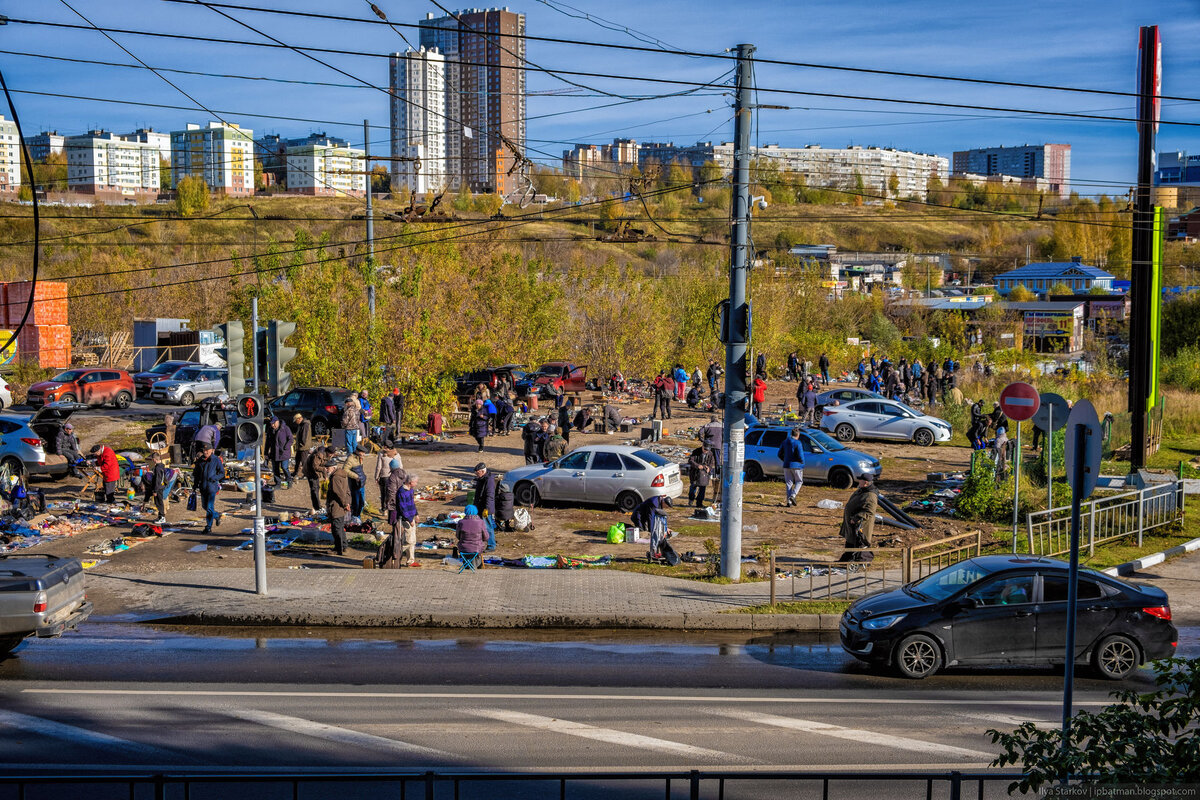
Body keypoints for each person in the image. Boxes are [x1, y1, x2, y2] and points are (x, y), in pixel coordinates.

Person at [838, 474, 878, 563]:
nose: (858, 481)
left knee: (861, 543)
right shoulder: (861, 490)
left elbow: (869, 511)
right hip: (852, 524)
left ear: (866, 482)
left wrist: (856, 518)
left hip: (861, 525)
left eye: (860, 480)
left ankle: (861, 561)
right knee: (850, 541)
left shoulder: (870, 495)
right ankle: (846, 559)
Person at [192, 443, 223, 535]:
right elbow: (196, 474)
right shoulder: (200, 461)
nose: (205, 452)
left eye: (207, 450)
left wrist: (214, 478)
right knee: (205, 506)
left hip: (211, 488)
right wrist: (195, 485)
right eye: (204, 450)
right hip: (203, 487)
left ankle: (208, 527)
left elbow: (222, 473)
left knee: (209, 507)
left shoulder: (216, 460)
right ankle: (217, 515)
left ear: (211, 450)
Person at [632, 495, 672, 561]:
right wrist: (652, 532)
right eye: (666, 506)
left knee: (645, 531)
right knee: (642, 531)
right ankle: (629, 534)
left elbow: (659, 519)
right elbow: (651, 519)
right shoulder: (654, 503)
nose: (666, 508)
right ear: (664, 503)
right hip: (638, 516)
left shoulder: (659, 501)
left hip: (644, 516)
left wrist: (666, 528)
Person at [326, 458, 352, 557]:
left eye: (328, 468)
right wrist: (348, 503)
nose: (326, 470)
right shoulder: (342, 475)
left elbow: (339, 493)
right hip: (342, 505)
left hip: (337, 506)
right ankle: (344, 546)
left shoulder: (335, 478)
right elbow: (347, 491)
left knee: (336, 528)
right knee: (340, 527)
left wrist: (345, 504)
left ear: (333, 468)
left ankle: (338, 549)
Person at [777, 427, 806, 507]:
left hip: (786, 465)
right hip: (797, 465)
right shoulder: (798, 443)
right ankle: (793, 496)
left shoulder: (785, 442)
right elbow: (800, 455)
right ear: (798, 435)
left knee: (789, 483)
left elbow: (779, 454)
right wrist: (802, 463)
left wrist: (785, 460)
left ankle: (789, 502)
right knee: (799, 481)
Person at [395, 473, 420, 567]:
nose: (417, 483)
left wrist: (416, 514)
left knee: (413, 540)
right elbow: (403, 508)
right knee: (408, 541)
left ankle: (411, 561)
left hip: (411, 517)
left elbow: (412, 503)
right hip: (405, 519)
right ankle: (395, 555)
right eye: (416, 482)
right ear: (410, 482)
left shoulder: (410, 490)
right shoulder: (402, 492)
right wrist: (410, 519)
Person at [144, 451, 175, 524]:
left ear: (154, 460)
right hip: (160, 487)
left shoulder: (157, 468)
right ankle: (160, 516)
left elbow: (158, 480)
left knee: (159, 502)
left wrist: (155, 490)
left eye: (152, 460)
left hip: (158, 488)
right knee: (158, 502)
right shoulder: (161, 466)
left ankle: (162, 517)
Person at [473, 462, 498, 551]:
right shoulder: (482, 479)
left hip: (485, 508)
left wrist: (487, 509)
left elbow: (490, 495)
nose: (476, 474)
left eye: (477, 472)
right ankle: (484, 544)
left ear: (482, 471)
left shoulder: (489, 480)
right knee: (482, 526)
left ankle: (491, 545)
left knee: (487, 527)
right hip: (480, 507)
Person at [266, 417, 293, 489]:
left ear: (277, 422)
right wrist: (266, 452)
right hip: (274, 452)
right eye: (271, 424)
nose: (272, 425)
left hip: (284, 452)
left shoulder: (285, 428)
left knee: (284, 467)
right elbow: (267, 442)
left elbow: (291, 439)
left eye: (274, 423)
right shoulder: (270, 430)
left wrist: (286, 447)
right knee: (275, 469)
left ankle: (289, 480)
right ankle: (278, 483)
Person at [303, 446, 330, 513]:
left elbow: (324, 465)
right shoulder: (318, 455)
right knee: (314, 489)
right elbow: (315, 467)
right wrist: (324, 470)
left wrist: (325, 476)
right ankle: (317, 507)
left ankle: (317, 506)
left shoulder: (325, 455)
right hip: (310, 472)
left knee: (317, 488)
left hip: (315, 473)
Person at [347, 450, 367, 523]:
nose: (364, 454)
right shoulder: (350, 459)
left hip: (361, 484)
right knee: (356, 503)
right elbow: (345, 470)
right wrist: (356, 476)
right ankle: (355, 517)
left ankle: (358, 517)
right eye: (363, 453)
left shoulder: (360, 459)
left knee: (362, 502)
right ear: (359, 452)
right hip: (355, 485)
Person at [291, 413, 312, 479]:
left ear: (299, 419)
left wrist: (301, 443)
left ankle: (307, 474)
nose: (296, 422)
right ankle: (295, 472)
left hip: (303, 447)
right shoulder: (302, 424)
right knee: (297, 460)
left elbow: (304, 436)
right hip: (301, 447)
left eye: (296, 421)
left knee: (304, 461)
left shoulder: (305, 424)